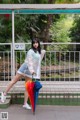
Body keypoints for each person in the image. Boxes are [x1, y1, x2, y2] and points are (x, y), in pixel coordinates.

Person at [0, 38, 46, 110]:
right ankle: (4, 94)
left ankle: (25, 104)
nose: (35, 44)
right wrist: (32, 71)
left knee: (27, 87)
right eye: (34, 43)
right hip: (25, 69)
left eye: (36, 43)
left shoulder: (38, 52)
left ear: (38, 43)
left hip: (31, 72)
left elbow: (38, 62)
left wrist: (42, 52)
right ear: (32, 44)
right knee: (14, 81)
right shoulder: (30, 51)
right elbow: (29, 62)